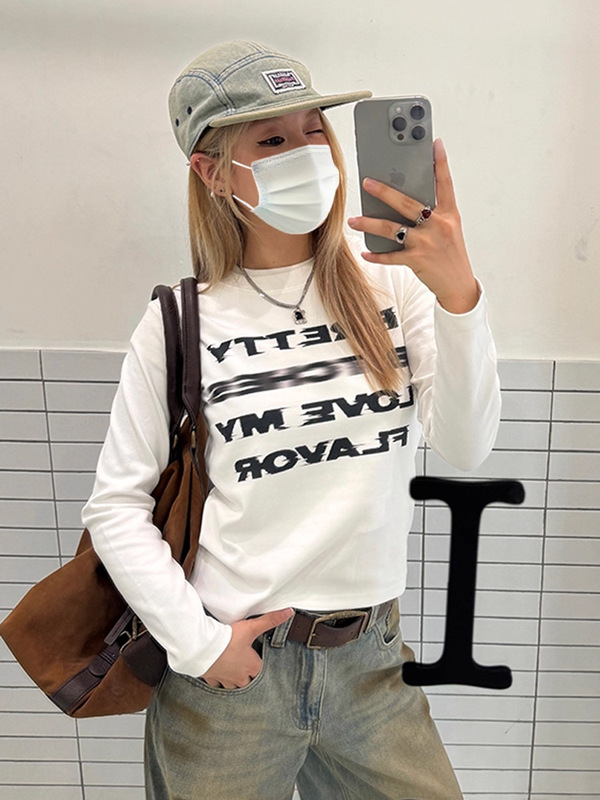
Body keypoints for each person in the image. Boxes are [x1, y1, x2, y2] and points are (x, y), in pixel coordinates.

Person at [82, 40, 501, 800]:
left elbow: (467, 446)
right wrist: (201, 645)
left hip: (371, 662)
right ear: (211, 172)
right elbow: (115, 506)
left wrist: (458, 295)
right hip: (232, 680)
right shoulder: (179, 321)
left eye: (314, 130)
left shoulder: (394, 286)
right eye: (272, 140)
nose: (308, 152)